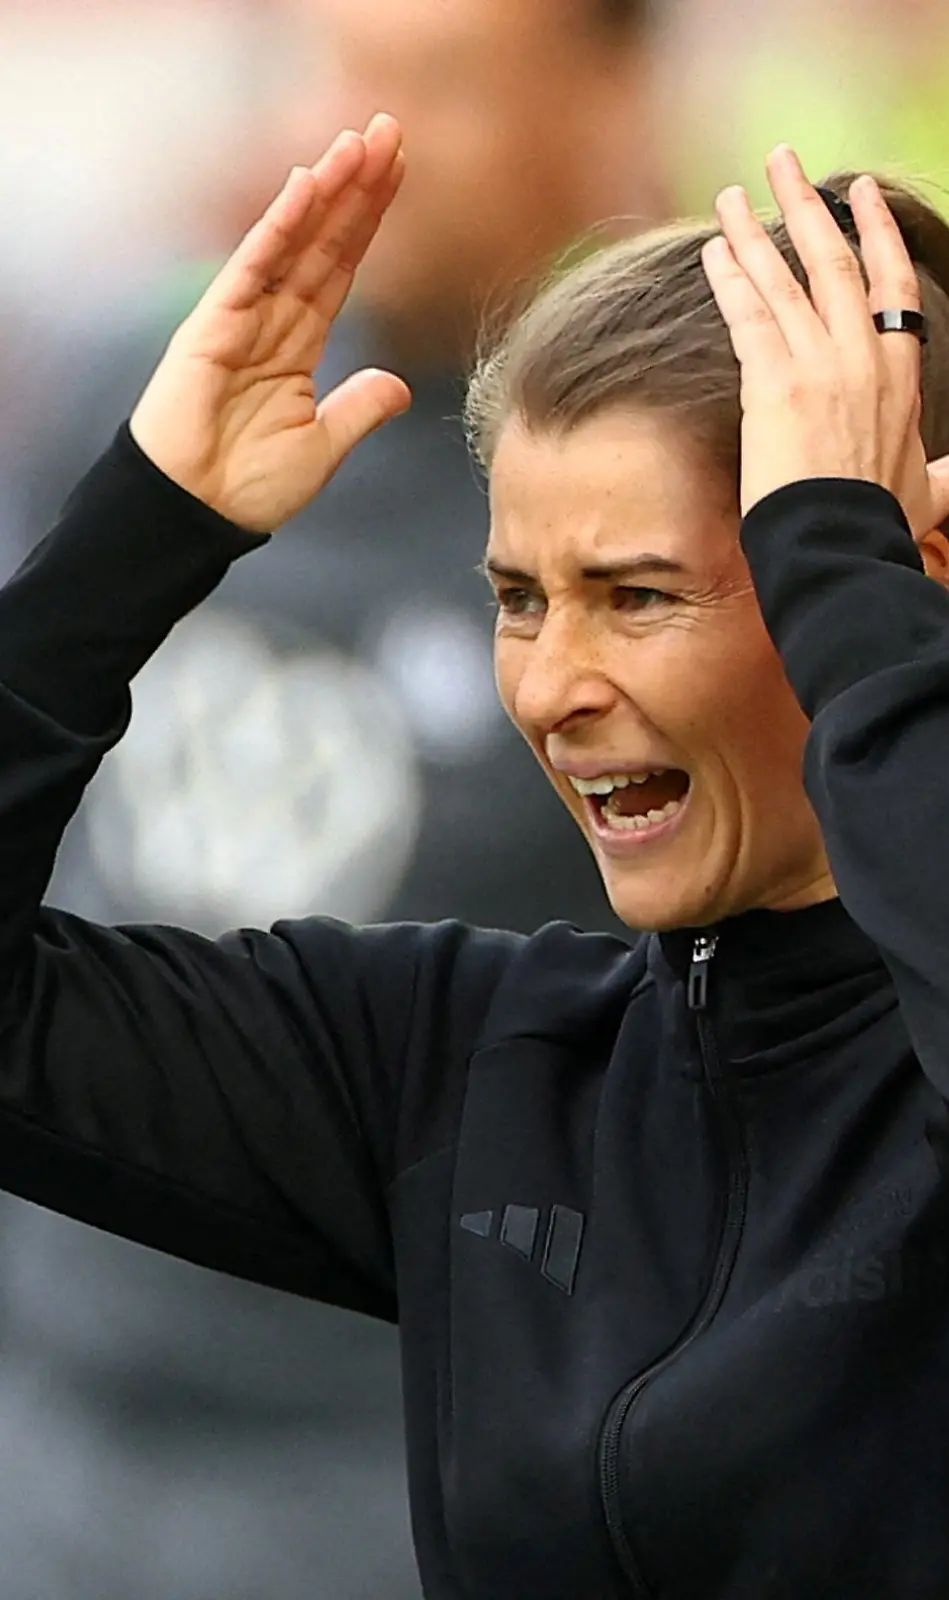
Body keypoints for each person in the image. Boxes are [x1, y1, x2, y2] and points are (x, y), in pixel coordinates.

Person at [3, 111, 949, 1598]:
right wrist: (135, 532)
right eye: (519, 599)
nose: (551, 688)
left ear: (884, 594)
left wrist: (850, 578)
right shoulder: (472, 1062)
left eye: (638, 597)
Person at [0, 5, 668, 1594]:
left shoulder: (668, 475)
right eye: (343, 68)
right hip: (64, 1411)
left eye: (439, 83)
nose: (362, 138)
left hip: (403, 1453)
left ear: (607, 91)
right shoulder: (163, 382)